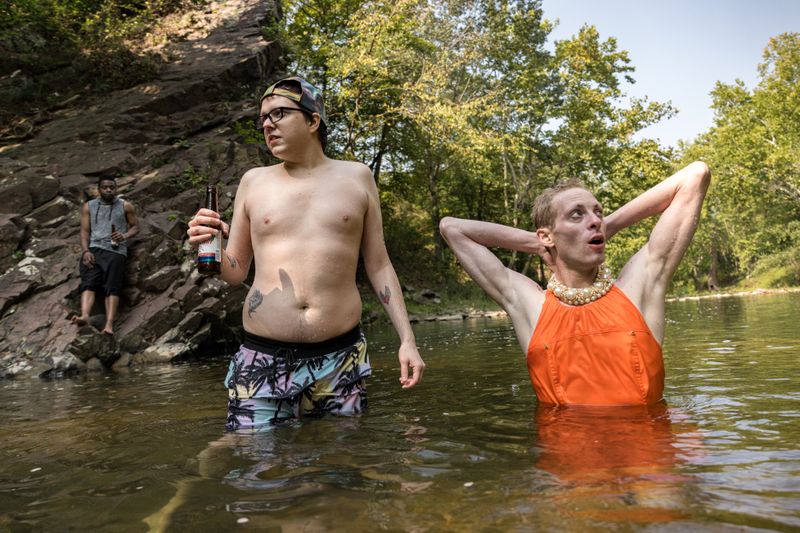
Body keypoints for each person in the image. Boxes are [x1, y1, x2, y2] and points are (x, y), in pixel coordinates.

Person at [186, 76, 425, 430]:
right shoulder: (254, 181)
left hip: (339, 358)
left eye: (279, 113)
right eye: (264, 118)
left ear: (313, 121)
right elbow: (235, 271)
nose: (267, 124)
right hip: (262, 357)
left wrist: (408, 340)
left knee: (337, 467)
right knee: (254, 469)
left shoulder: (357, 178)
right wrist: (211, 245)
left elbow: (378, 264)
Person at [439, 162, 711, 406]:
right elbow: (452, 228)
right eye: (576, 215)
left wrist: (609, 224)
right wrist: (537, 244)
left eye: (598, 213)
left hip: (646, 460)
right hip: (566, 460)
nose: (594, 220)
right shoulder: (529, 305)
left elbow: (695, 175)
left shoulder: (640, 287)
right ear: (546, 236)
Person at [71, 177, 139, 335]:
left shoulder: (125, 205)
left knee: (112, 288)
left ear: (116, 188)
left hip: (116, 252)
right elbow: (84, 231)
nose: (108, 190)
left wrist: (124, 236)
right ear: (99, 189)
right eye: (105, 187)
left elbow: (136, 227)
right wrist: (86, 251)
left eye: (111, 187)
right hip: (94, 249)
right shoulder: (89, 206)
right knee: (88, 283)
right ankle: (85, 316)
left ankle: (109, 325)